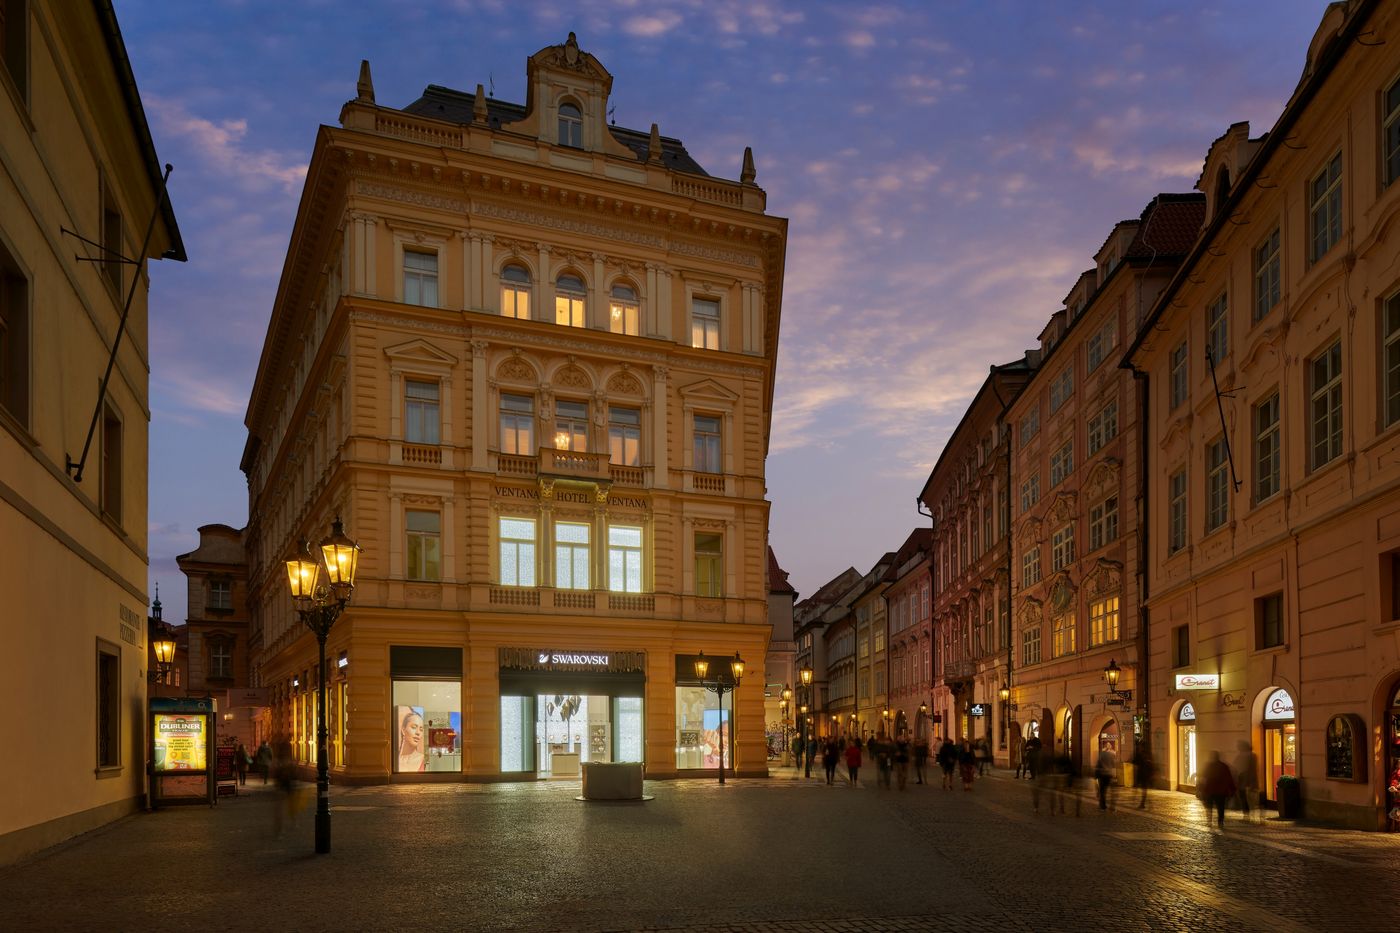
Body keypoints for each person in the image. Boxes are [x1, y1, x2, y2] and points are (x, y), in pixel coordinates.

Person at [1199, 750, 1236, 829]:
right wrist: (1232, 789)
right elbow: (1229, 778)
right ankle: (1220, 822)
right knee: (1220, 807)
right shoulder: (1223, 766)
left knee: (1209, 807)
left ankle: (1209, 821)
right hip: (1221, 791)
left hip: (1210, 790)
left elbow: (1202, 778)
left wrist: (1201, 789)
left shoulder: (1208, 766)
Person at [1233, 740, 1260, 823]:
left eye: (1239, 746)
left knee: (1245, 799)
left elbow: (1240, 768)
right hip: (1250, 781)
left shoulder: (1244, 756)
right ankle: (1250, 816)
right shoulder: (1253, 755)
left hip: (1244, 781)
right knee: (1250, 800)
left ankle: (1246, 816)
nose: (1237, 747)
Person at [397, 708, 427, 773]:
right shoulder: (394, 759)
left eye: (421, 729)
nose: (418, 732)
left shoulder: (423, 759)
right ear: (403, 730)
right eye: (414, 727)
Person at [1132, 742, 1155, 809]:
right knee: (1144, 789)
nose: (1139, 747)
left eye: (1140, 746)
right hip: (1146, 774)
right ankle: (1145, 803)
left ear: (1142, 747)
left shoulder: (1140, 754)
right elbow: (1151, 764)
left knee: (1142, 789)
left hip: (1142, 774)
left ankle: (1142, 803)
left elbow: (1134, 761)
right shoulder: (1148, 754)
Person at [1095, 744, 1118, 811]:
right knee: (1111, 791)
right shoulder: (1111, 755)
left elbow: (1098, 764)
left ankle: (1103, 806)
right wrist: (1114, 775)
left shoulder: (1101, 754)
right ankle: (1112, 807)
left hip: (1102, 774)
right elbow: (1113, 765)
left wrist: (1096, 775)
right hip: (1109, 774)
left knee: (1102, 791)